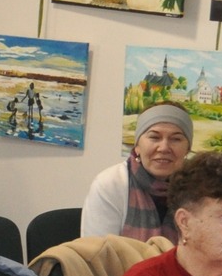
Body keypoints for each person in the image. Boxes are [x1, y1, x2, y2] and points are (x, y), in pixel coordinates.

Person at [81, 101, 194, 241]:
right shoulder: (110, 184)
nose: (164, 148)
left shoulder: (201, 189)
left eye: (176, 139)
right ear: (137, 146)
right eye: (154, 137)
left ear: (187, 149)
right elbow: (98, 252)